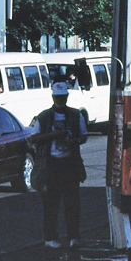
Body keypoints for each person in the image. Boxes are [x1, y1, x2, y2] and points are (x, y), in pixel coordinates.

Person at [32, 83, 89, 250]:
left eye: (63, 97)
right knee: (51, 205)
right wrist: (53, 135)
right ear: (53, 98)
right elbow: (34, 138)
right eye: (57, 97)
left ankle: (73, 237)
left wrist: (74, 140)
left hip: (70, 164)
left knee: (72, 204)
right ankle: (50, 237)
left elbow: (84, 136)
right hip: (51, 165)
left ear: (66, 97)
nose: (60, 100)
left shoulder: (75, 115)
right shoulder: (43, 117)